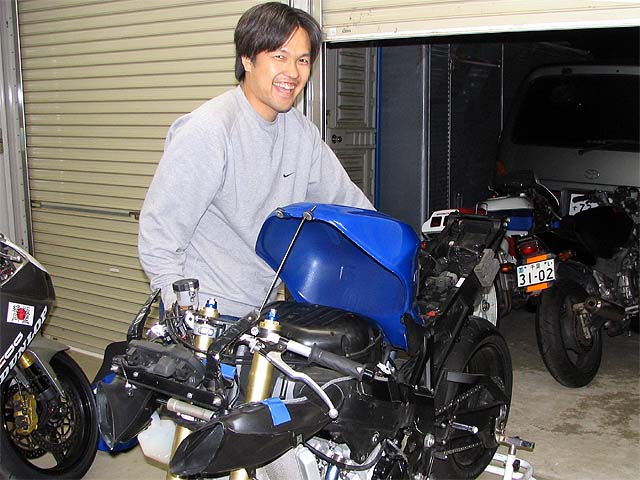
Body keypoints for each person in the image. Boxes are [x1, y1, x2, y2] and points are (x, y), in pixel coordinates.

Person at [138, 2, 373, 317]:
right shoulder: (210, 129)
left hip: (262, 311)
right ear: (247, 59)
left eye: (303, 60)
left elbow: (348, 203)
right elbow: (160, 235)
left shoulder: (301, 132)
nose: (293, 72)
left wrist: (392, 249)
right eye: (280, 56)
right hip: (208, 314)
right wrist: (183, 313)